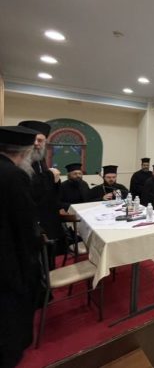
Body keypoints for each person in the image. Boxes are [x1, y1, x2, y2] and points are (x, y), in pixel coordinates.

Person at [0, 126, 44, 368]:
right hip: (9, 254)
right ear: (25, 152)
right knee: (10, 308)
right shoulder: (14, 175)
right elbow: (24, 223)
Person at [18, 120, 66, 251]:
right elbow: (26, 186)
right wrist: (50, 175)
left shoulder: (40, 158)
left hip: (45, 216)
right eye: (32, 139)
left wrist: (54, 179)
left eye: (40, 140)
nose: (36, 143)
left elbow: (45, 185)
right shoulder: (18, 160)